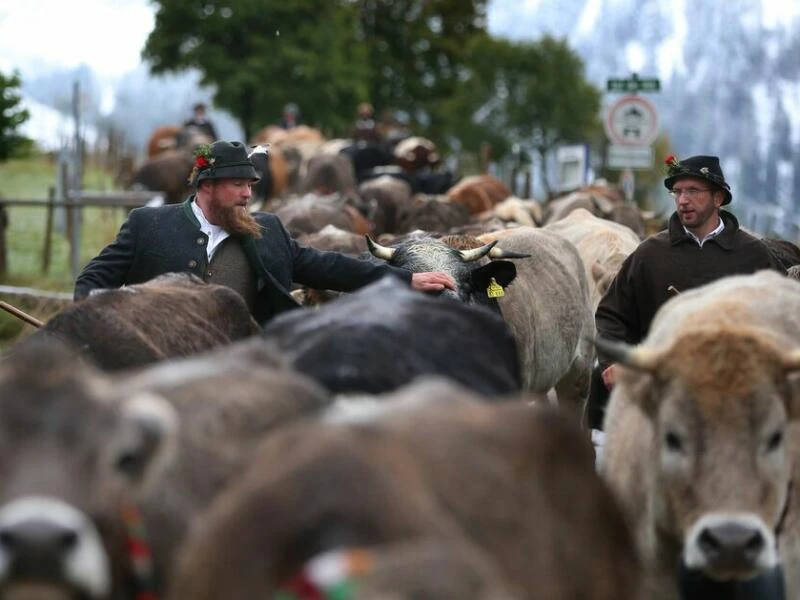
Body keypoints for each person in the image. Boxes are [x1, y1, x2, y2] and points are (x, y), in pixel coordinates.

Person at [74, 141, 456, 325]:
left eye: (250, 184)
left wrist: (406, 280)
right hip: (161, 362)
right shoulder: (148, 224)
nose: (247, 193)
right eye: (237, 184)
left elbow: (328, 267)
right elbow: (93, 280)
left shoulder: (266, 230)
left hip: (246, 367)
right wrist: (95, 325)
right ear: (206, 185)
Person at [589, 154, 786, 427]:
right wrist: (614, 362)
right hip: (664, 398)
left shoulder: (754, 255)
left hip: (737, 400)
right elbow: (612, 315)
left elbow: (785, 316)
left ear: (718, 198)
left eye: (693, 191)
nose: (682, 200)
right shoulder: (649, 255)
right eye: (677, 192)